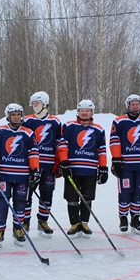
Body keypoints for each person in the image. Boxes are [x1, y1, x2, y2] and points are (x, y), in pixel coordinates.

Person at [0, 103, 40, 248]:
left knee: (21, 202)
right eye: (13, 114)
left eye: (18, 114)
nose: (16, 117)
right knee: (1, 203)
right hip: (4, 175)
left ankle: (18, 229)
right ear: (8, 116)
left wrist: (35, 170)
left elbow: (33, 153)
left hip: (22, 175)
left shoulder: (28, 133)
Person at [109, 94, 140, 234]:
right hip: (126, 164)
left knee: (139, 191)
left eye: (137, 104)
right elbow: (114, 140)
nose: (135, 106)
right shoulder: (119, 121)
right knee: (125, 192)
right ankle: (123, 217)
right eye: (132, 104)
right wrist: (116, 159)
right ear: (128, 106)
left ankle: (135, 217)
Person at [58, 99, 108, 238]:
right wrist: (64, 162)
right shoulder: (68, 126)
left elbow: (102, 150)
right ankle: (74, 224)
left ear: (92, 112)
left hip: (90, 169)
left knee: (87, 197)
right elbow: (62, 145)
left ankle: (84, 222)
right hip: (73, 169)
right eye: (82, 111)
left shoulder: (98, 129)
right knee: (72, 197)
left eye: (87, 111)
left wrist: (103, 168)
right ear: (77, 112)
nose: (84, 113)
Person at [22, 91, 62, 238]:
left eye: (37, 103)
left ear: (45, 103)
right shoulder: (26, 120)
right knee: (27, 195)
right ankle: (25, 222)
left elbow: (60, 143)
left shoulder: (55, 122)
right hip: (31, 166)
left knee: (47, 194)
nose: (34, 106)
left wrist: (59, 163)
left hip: (48, 166)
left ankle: (43, 221)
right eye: (32, 103)